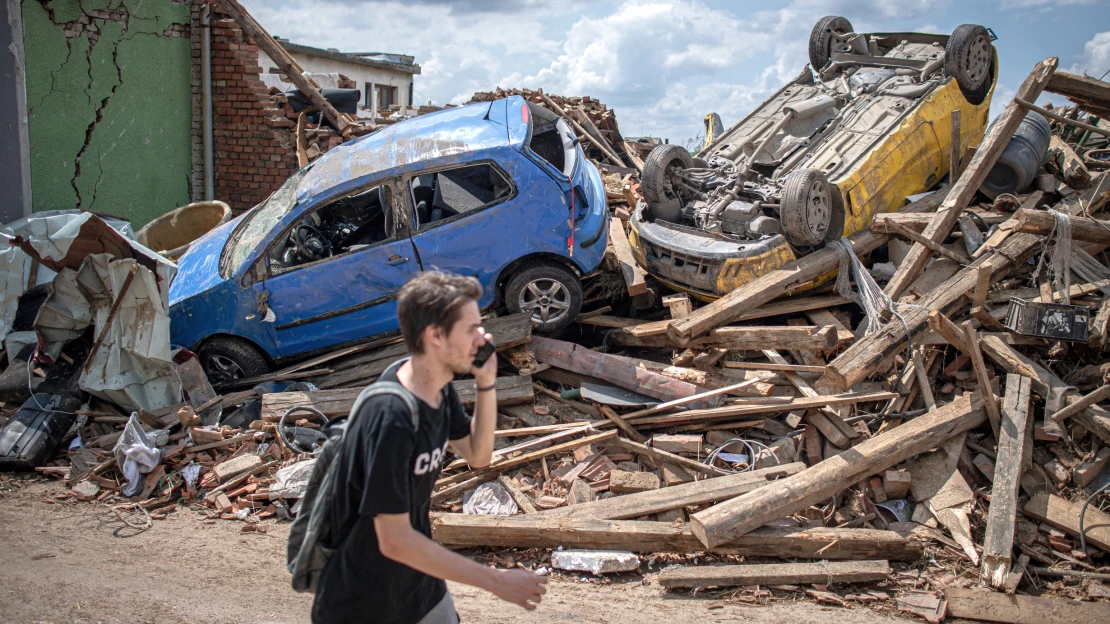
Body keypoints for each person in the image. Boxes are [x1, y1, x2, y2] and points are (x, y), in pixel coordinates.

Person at [311, 271, 547, 623]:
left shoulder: (439, 390)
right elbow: (393, 539)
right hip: (361, 602)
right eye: (471, 329)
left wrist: (486, 384)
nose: (483, 337)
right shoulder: (391, 418)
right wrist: (496, 580)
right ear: (435, 336)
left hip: (419, 584)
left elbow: (478, 456)